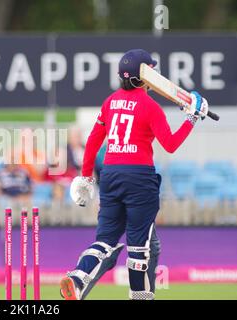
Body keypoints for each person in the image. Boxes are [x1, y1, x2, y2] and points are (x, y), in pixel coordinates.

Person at [60, 49, 209, 300]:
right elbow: (170, 144)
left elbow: (94, 140)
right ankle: (140, 297)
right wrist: (192, 118)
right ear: (143, 77)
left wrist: (86, 176)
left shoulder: (110, 102)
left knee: (105, 240)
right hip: (139, 178)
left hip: (111, 175)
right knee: (139, 247)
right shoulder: (150, 107)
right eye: (151, 70)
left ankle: (76, 279)